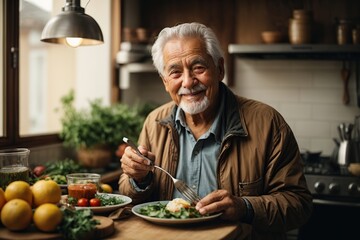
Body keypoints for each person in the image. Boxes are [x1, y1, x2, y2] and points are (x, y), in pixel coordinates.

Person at [119, 22, 312, 239]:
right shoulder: (154, 122)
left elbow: (298, 204)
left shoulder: (268, 122)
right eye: (175, 72)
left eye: (198, 68)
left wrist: (245, 207)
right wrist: (138, 179)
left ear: (220, 69)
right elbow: (129, 196)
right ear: (165, 82)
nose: (188, 82)